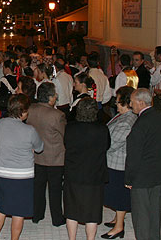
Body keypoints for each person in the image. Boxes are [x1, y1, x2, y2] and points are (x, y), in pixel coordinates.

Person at [0, 94, 44, 240]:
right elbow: (40, 147)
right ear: (23, 111)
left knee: (2, 207)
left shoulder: (1, 123)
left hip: (1, 172)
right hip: (22, 175)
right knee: (18, 212)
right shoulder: (30, 130)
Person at [125, 88, 161, 240]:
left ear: (140, 102)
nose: (131, 105)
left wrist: (129, 179)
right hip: (157, 173)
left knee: (141, 216)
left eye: (132, 102)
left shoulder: (140, 125)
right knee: (154, 213)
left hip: (140, 177)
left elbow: (133, 155)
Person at [64, 98, 110, 240]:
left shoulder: (70, 127)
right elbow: (106, 146)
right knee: (92, 213)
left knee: (71, 211)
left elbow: (66, 144)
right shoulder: (102, 129)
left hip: (73, 173)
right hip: (94, 175)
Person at [27, 82, 66, 227]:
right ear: (50, 97)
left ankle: (37, 215)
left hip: (36, 156)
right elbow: (64, 135)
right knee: (55, 190)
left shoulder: (30, 109)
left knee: (38, 188)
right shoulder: (58, 115)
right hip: (55, 157)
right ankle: (57, 219)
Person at [102, 86, 137, 239]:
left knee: (120, 196)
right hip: (115, 162)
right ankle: (118, 219)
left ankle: (119, 227)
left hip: (119, 163)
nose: (115, 104)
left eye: (117, 102)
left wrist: (99, 147)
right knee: (116, 194)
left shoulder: (127, 121)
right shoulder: (122, 116)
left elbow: (114, 143)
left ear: (125, 102)